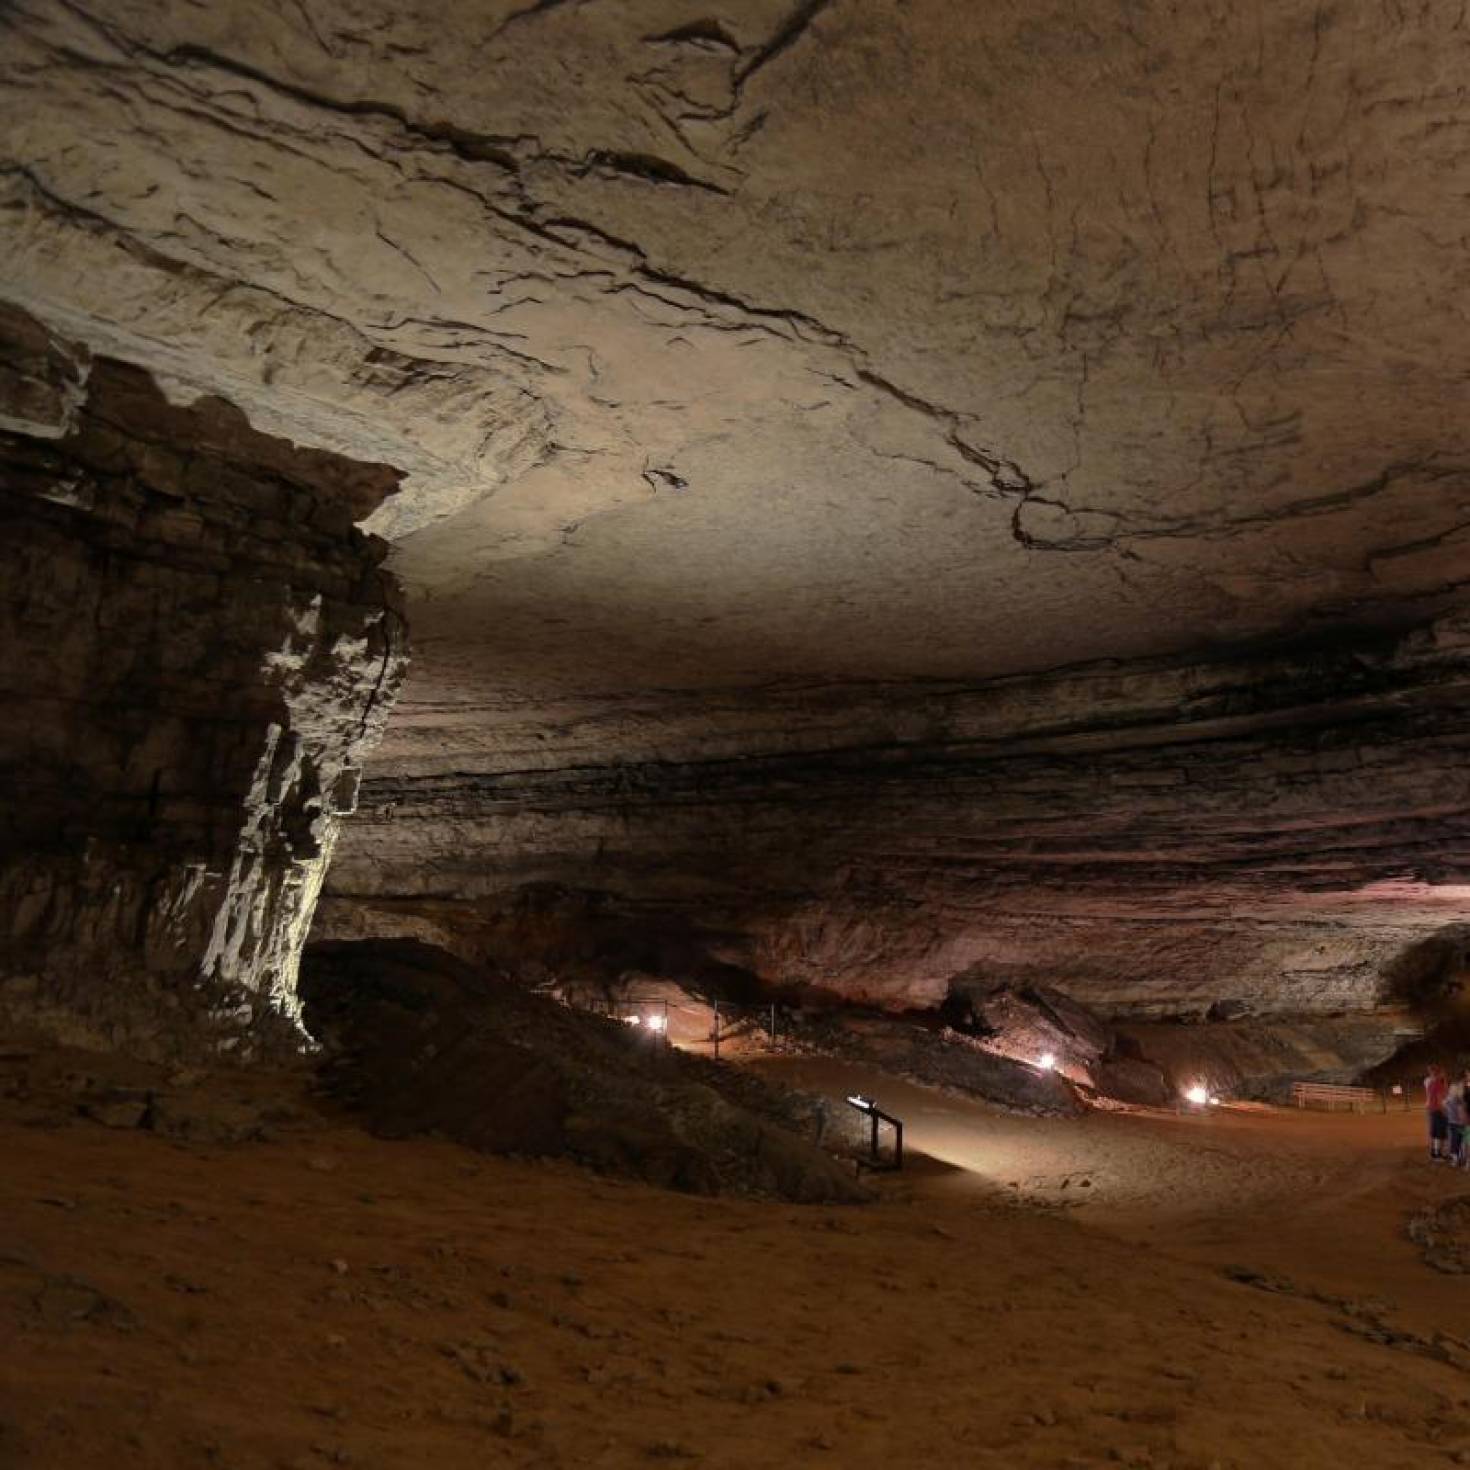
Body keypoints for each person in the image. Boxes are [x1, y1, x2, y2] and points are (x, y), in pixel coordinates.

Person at [1426, 1064, 1450, 1162]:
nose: (1444, 1075)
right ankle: (1438, 1155)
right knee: (1441, 1134)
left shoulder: (1431, 1083)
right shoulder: (1438, 1084)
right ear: (1438, 1073)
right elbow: (1440, 1099)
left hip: (1432, 1110)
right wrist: (1445, 1112)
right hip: (1439, 1111)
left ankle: (1435, 1154)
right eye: (1442, 1073)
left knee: (1436, 1134)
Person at [1446, 1078, 1467, 1166]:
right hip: (1459, 1123)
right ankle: (1461, 1158)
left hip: (1454, 1123)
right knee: (1462, 1141)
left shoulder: (1450, 1100)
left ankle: (1456, 1159)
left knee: (1455, 1141)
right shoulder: (1460, 1100)